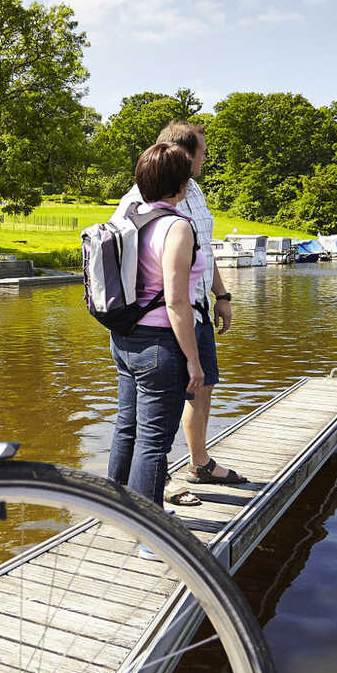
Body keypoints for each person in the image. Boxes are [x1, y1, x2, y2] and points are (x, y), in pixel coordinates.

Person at [114, 122, 240, 497]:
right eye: (201, 152)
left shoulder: (193, 193)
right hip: (164, 327)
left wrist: (222, 295)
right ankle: (152, 498)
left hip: (190, 314)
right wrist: (189, 356)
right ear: (182, 158)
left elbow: (205, 249)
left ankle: (195, 464)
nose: (204, 159)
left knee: (197, 393)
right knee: (148, 428)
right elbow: (169, 294)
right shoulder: (142, 204)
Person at [107, 142, 206, 506]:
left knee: (126, 429)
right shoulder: (177, 228)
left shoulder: (131, 218)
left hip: (124, 339)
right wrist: (193, 361)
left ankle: (114, 508)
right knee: (152, 442)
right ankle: (151, 535)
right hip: (160, 345)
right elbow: (177, 302)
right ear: (180, 186)